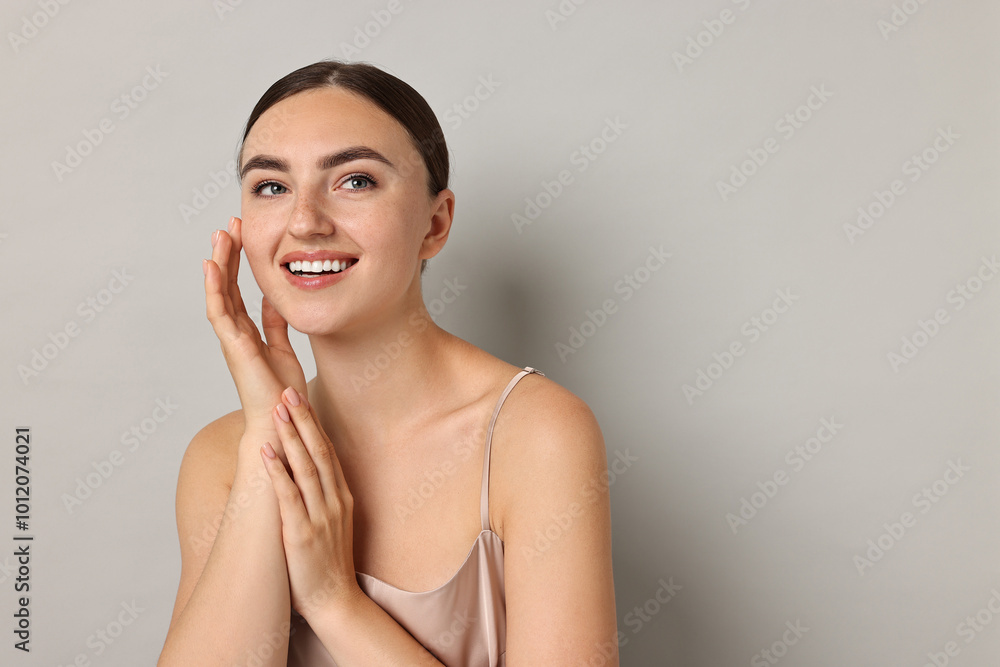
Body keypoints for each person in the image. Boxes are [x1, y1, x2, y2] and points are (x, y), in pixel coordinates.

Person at [157, 60, 618, 666]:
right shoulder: (222, 457)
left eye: (355, 181)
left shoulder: (536, 436)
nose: (304, 222)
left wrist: (332, 600)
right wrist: (267, 447)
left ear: (436, 223)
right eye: (272, 186)